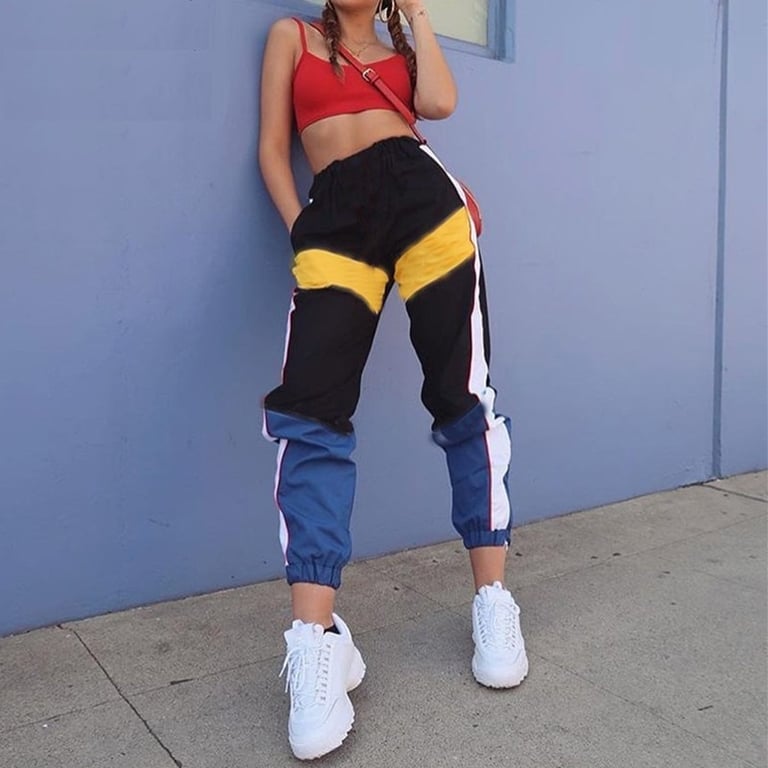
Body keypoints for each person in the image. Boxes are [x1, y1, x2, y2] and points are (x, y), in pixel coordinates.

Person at [258, 0, 528, 759]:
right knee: (309, 414)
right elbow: (273, 150)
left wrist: (414, 14)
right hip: (334, 221)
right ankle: (316, 641)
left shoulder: (402, 53)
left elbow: (439, 104)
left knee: (462, 397)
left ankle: (492, 600)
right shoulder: (292, 37)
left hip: (425, 204)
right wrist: (304, 231)